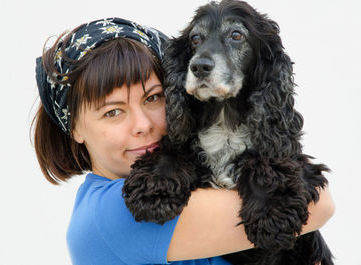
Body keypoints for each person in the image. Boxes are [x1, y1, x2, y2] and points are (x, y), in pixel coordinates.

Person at [33, 17, 334, 265]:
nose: (143, 125)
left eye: (153, 98)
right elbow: (317, 207)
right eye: (113, 112)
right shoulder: (108, 215)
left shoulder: (188, 179)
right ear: (74, 128)